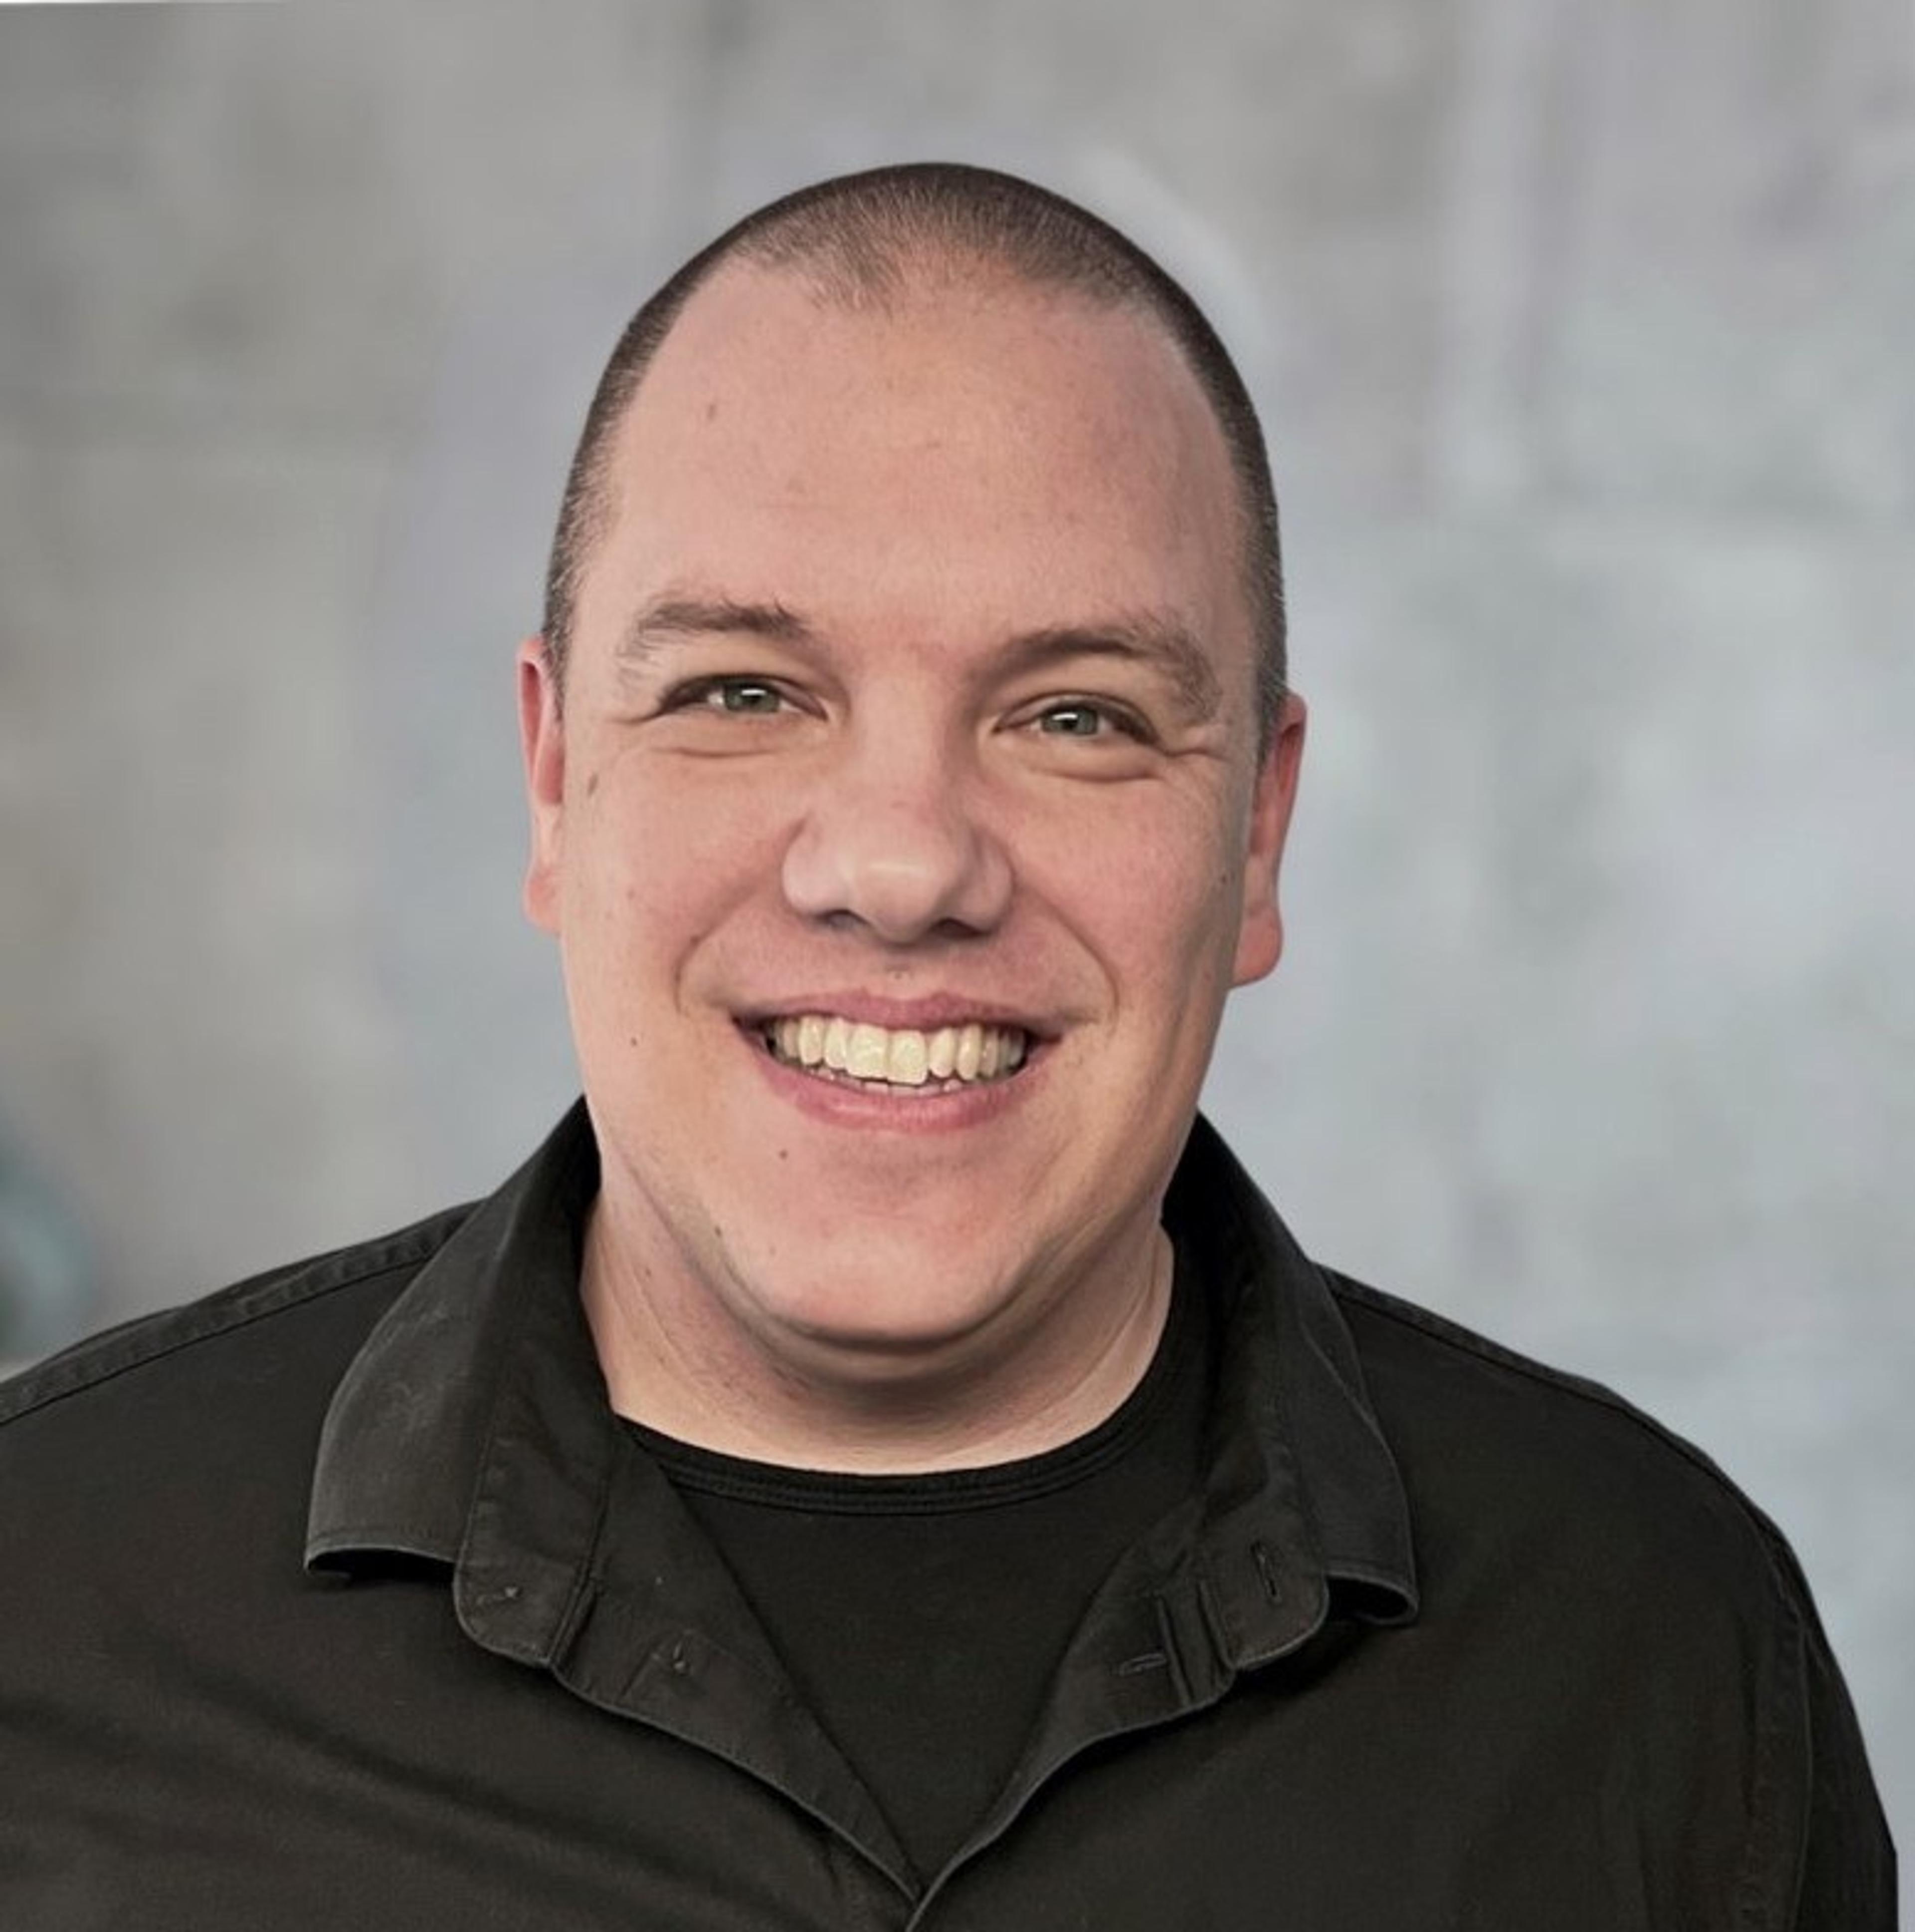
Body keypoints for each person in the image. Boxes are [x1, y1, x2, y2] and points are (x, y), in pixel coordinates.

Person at [0, 163, 1893, 1930]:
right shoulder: (49, 1600)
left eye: (1075, 716)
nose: (901, 867)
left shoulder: (1651, 1657)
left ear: (1255, 832)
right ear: (558, 779)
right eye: (745, 691)